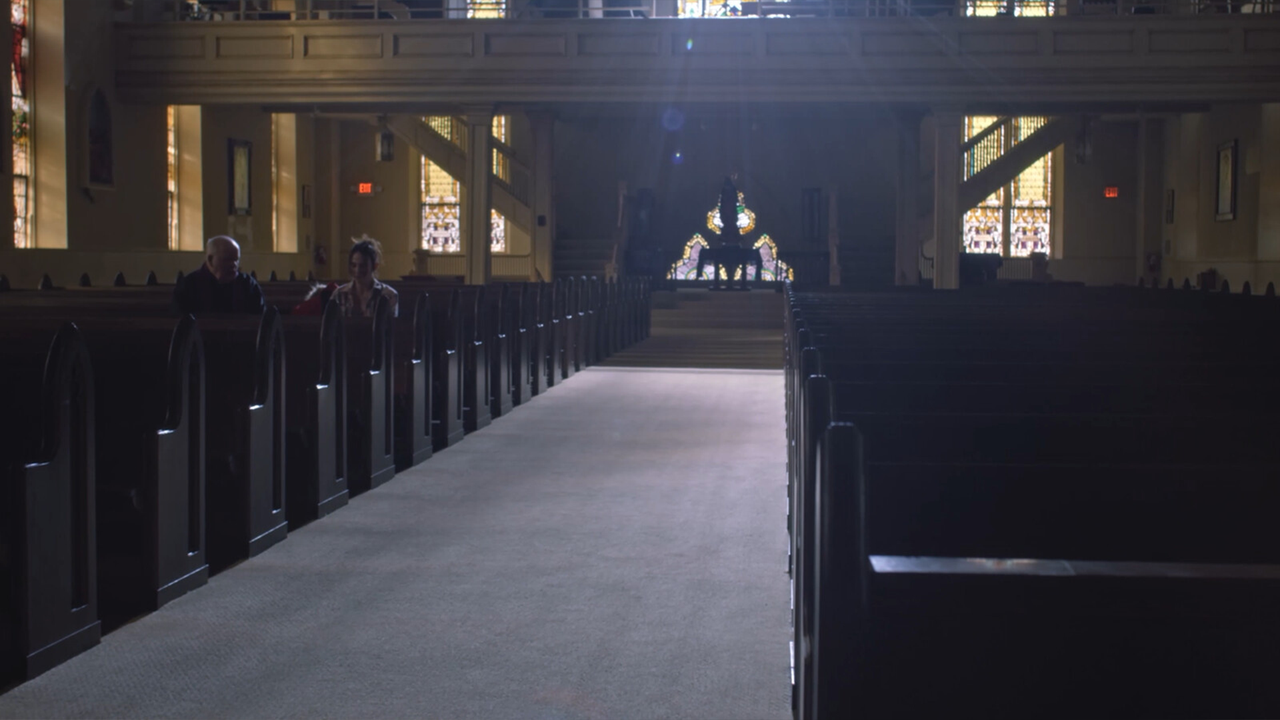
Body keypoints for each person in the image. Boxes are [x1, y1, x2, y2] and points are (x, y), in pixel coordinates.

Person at [172, 235, 265, 315]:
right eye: (227, 259)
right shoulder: (189, 285)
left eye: (236, 260)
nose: (234, 264)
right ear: (210, 259)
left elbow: (259, 317)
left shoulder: (247, 284)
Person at [331, 235, 399, 318]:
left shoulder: (389, 295)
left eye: (363, 265)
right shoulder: (339, 294)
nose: (357, 270)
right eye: (354, 265)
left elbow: (390, 328)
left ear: (374, 266)